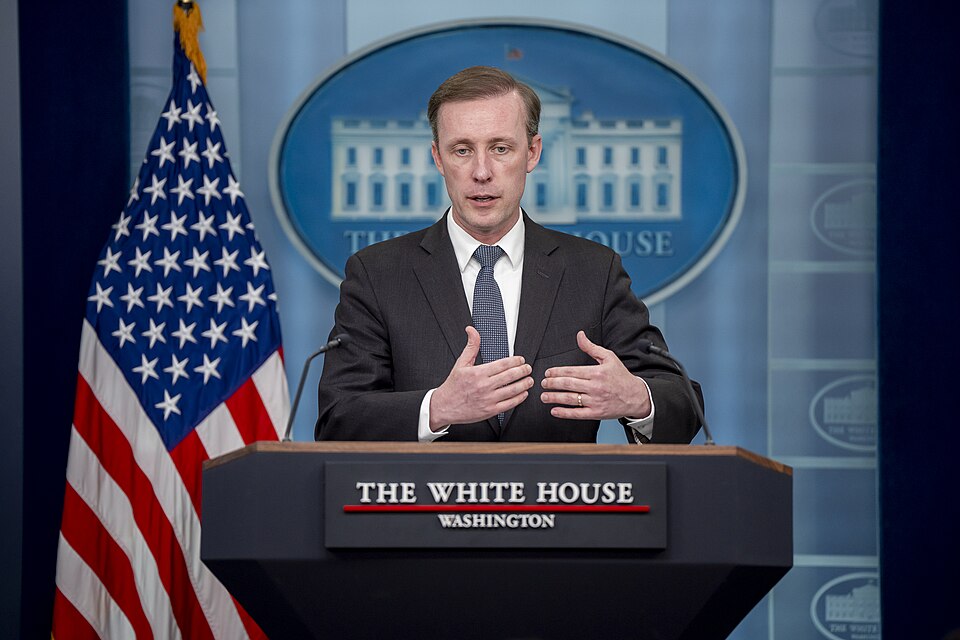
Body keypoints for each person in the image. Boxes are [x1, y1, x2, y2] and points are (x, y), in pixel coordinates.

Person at [315, 66, 702, 444]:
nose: (481, 172)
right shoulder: (378, 274)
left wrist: (636, 399)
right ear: (437, 158)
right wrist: (436, 409)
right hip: (425, 506)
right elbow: (338, 418)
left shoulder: (593, 271)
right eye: (462, 150)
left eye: (500, 148)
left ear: (532, 153)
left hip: (560, 503)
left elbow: (683, 405)